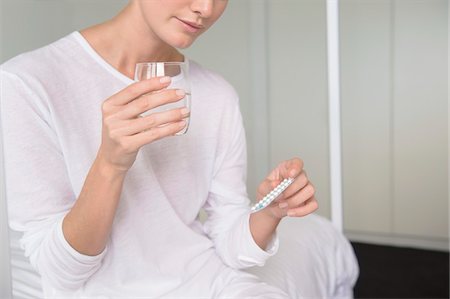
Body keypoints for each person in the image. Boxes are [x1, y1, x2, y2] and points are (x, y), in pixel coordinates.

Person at [1, 0, 323, 297]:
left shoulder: (218, 96)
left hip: (209, 284)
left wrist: (270, 211)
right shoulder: (28, 85)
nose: (205, 8)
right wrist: (110, 165)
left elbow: (228, 242)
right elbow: (61, 272)